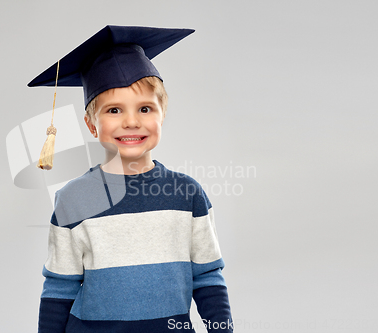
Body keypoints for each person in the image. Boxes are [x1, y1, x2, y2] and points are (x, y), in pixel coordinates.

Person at [28, 25, 233, 333]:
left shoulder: (187, 194)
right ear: (91, 125)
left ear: (163, 114)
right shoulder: (74, 199)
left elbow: (207, 278)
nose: (131, 121)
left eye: (145, 108)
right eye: (113, 110)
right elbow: (60, 288)